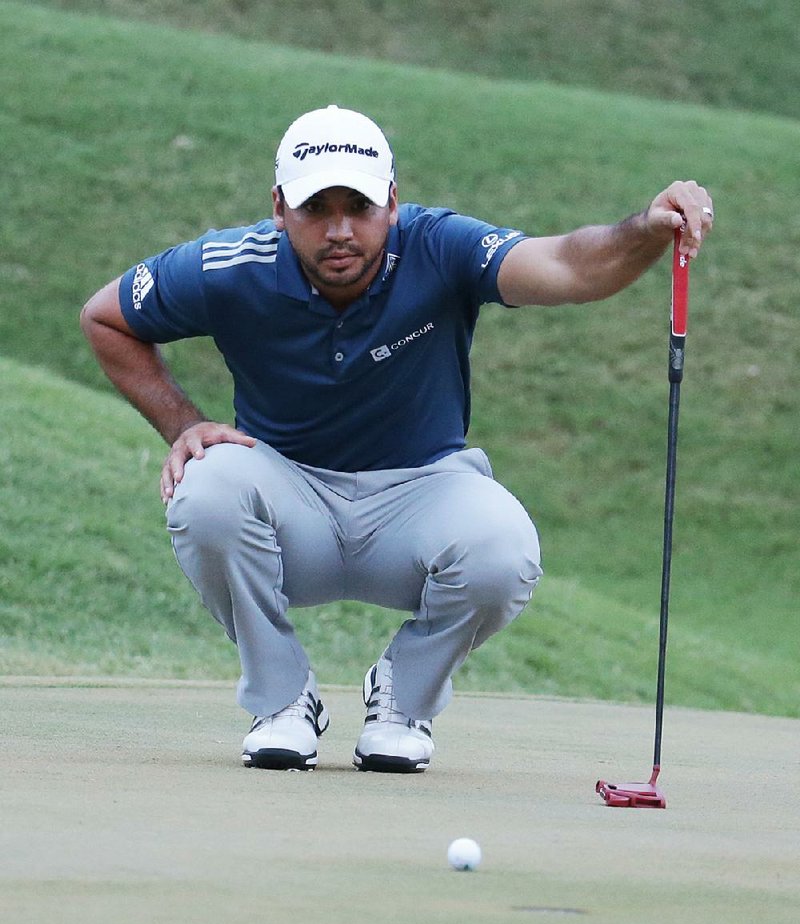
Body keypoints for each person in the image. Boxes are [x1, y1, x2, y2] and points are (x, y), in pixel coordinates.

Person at [80, 105, 714, 774]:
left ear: (391, 201)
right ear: (278, 209)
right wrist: (182, 425)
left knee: (503, 546)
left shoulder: (441, 246)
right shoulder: (228, 264)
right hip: (287, 498)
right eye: (314, 209)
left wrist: (645, 229)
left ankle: (402, 703)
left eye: (357, 205)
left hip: (421, 498)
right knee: (205, 488)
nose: (339, 231)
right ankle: (283, 701)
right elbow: (106, 318)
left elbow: (566, 266)